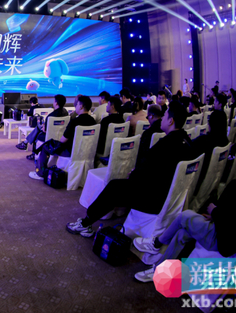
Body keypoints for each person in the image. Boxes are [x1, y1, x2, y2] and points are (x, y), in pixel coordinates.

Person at [133, 128, 236, 282]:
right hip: (223, 229)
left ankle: (156, 244)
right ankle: (160, 271)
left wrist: (215, 212)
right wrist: (217, 214)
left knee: (184, 216)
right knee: (182, 233)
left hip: (224, 239)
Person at [66, 101, 193, 237]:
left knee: (114, 187)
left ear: (171, 121)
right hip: (172, 197)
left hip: (154, 199)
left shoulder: (165, 144)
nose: (161, 118)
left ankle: (86, 223)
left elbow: (145, 170)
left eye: (165, 116)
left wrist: (133, 174)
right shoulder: (187, 141)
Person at [29, 95, 95, 181]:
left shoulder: (74, 122)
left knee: (46, 146)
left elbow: (63, 140)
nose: (76, 106)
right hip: (87, 151)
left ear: (81, 106)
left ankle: (40, 173)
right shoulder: (93, 121)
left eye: (77, 104)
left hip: (71, 151)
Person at [190, 110, 229, 194]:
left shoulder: (204, 141)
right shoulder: (226, 142)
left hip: (197, 186)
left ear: (210, 124)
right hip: (212, 183)